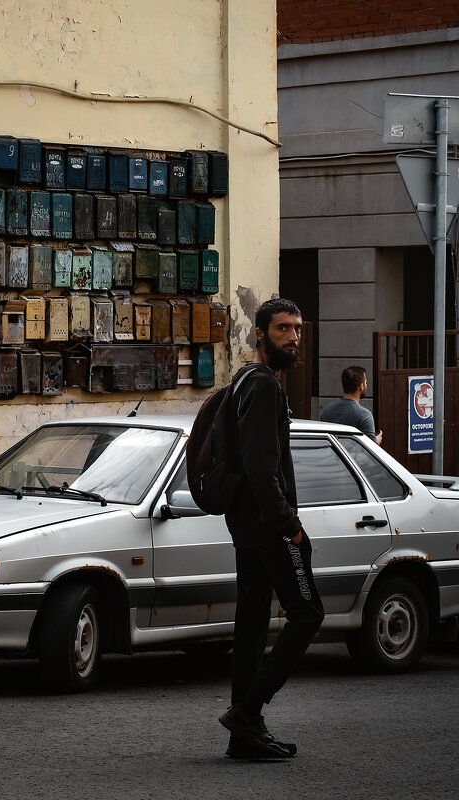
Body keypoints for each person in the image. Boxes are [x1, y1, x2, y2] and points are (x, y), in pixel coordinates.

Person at [219, 297, 324, 760]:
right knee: (307, 614)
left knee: (253, 623)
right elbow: (263, 470)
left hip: (247, 525)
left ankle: (244, 735)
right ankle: (248, 712)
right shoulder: (262, 386)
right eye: (283, 329)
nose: (293, 337)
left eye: (298, 329)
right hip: (269, 526)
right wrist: (291, 527)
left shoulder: (245, 380)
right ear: (261, 334)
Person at [320, 366, 382, 444]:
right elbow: (371, 449)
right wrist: (377, 441)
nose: (366, 385)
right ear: (361, 387)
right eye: (366, 383)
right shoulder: (364, 415)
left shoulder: (326, 411)